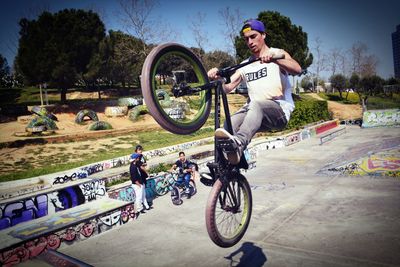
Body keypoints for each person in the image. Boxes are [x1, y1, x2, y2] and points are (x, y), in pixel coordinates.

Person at [207, 19, 301, 165]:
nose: (250, 41)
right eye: (246, 39)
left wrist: (275, 60)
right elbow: (228, 88)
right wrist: (218, 79)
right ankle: (225, 165)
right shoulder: (245, 64)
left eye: (253, 36)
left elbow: (297, 68)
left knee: (256, 104)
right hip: (255, 113)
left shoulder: (277, 53)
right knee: (229, 124)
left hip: (279, 110)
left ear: (263, 35)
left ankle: (239, 144)